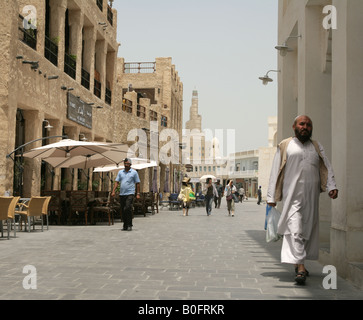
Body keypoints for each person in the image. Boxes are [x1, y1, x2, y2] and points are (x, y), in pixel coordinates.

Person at [267, 115, 338, 284]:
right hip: (292, 198)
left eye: (308, 125)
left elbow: (326, 166)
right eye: (302, 124)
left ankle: (300, 262)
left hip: (311, 197)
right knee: (296, 228)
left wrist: (332, 186)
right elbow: (275, 170)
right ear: (294, 126)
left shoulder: (316, 146)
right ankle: (300, 269)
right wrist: (271, 197)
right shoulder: (285, 145)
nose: (305, 127)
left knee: (306, 230)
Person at [111, 158, 141, 231]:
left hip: (130, 193)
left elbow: (138, 183)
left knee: (127, 208)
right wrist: (113, 191)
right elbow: (117, 182)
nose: (126, 165)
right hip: (122, 194)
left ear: (130, 164)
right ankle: (125, 224)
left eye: (127, 164)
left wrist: (138, 193)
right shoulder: (120, 172)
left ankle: (129, 224)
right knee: (123, 209)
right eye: (125, 164)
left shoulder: (134, 172)